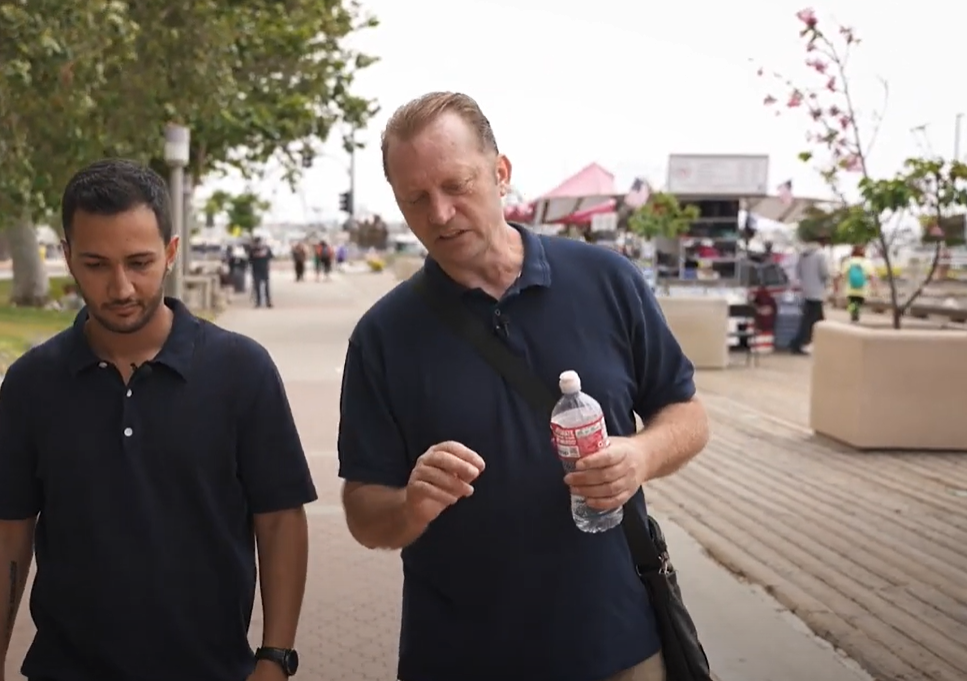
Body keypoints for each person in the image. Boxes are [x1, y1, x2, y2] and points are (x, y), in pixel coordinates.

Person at [337, 92, 710, 681]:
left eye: (456, 185)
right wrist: (410, 505)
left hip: (614, 642)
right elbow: (362, 510)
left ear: (501, 172)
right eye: (416, 198)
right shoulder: (382, 337)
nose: (439, 213)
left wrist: (640, 454)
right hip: (460, 655)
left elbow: (686, 415)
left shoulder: (606, 279)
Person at [0, 158, 317, 681]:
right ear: (66, 256)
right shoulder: (31, 383)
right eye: (95, 264)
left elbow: (279, 521)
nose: (121, 287)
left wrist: (275, 659)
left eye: (139, 262)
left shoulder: (242, 370)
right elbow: (7, 533)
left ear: (171, 253)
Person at [790, 236, 830, 354]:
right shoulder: (821, 255)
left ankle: (818, 343)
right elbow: (824, 273)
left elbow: (798, 273)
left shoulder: (803, 255)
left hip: (806, 291)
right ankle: (799, 343)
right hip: (817, 291)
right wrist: (827, 282)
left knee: (812, 319)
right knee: (813, 321)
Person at [836, 244, 873, 323]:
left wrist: (837, 285)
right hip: (862, 290)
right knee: (858, 304)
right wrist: (876, 288)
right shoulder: (867, 262)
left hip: (850, 289)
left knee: (852, 303)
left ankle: (853, 313)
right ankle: (855, 314)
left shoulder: (848, 262)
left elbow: (841, 275)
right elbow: (871, 276)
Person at [249, 236, 274, 307]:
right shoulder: (253, 250)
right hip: (259, 269)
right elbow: (250, 260)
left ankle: (265, 301)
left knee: (263, 286)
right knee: (260, 286)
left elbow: (250, 260)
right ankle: (262, 301)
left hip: (260, 269)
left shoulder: (255, 250)